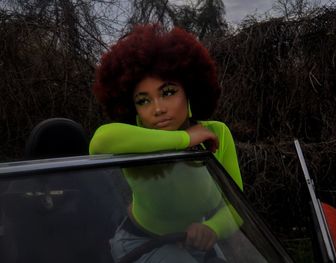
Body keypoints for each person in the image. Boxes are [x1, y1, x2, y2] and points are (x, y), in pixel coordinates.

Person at [89, 24, 243, 263]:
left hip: (195, 239)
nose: (158, 109)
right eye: (143, 100)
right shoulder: (136, 138)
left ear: (189, 92)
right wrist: (185, 138)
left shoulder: (217, 133)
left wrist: (212, 228)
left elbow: (236, 207)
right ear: (134, 109)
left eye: (168, 92)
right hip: (140, 241)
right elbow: (99, 141)